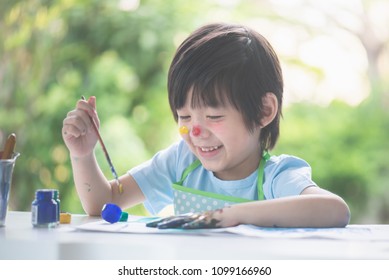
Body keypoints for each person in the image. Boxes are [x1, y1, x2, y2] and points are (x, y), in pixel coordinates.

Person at [62, 22, 350, 229]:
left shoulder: (275, 178)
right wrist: (82, 154)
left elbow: (334, 210)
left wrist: (231, 215)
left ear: (264, 111)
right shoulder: (181, 163)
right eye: (185, 117)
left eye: (214, 116)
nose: (195, 133)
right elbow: (104, 202)